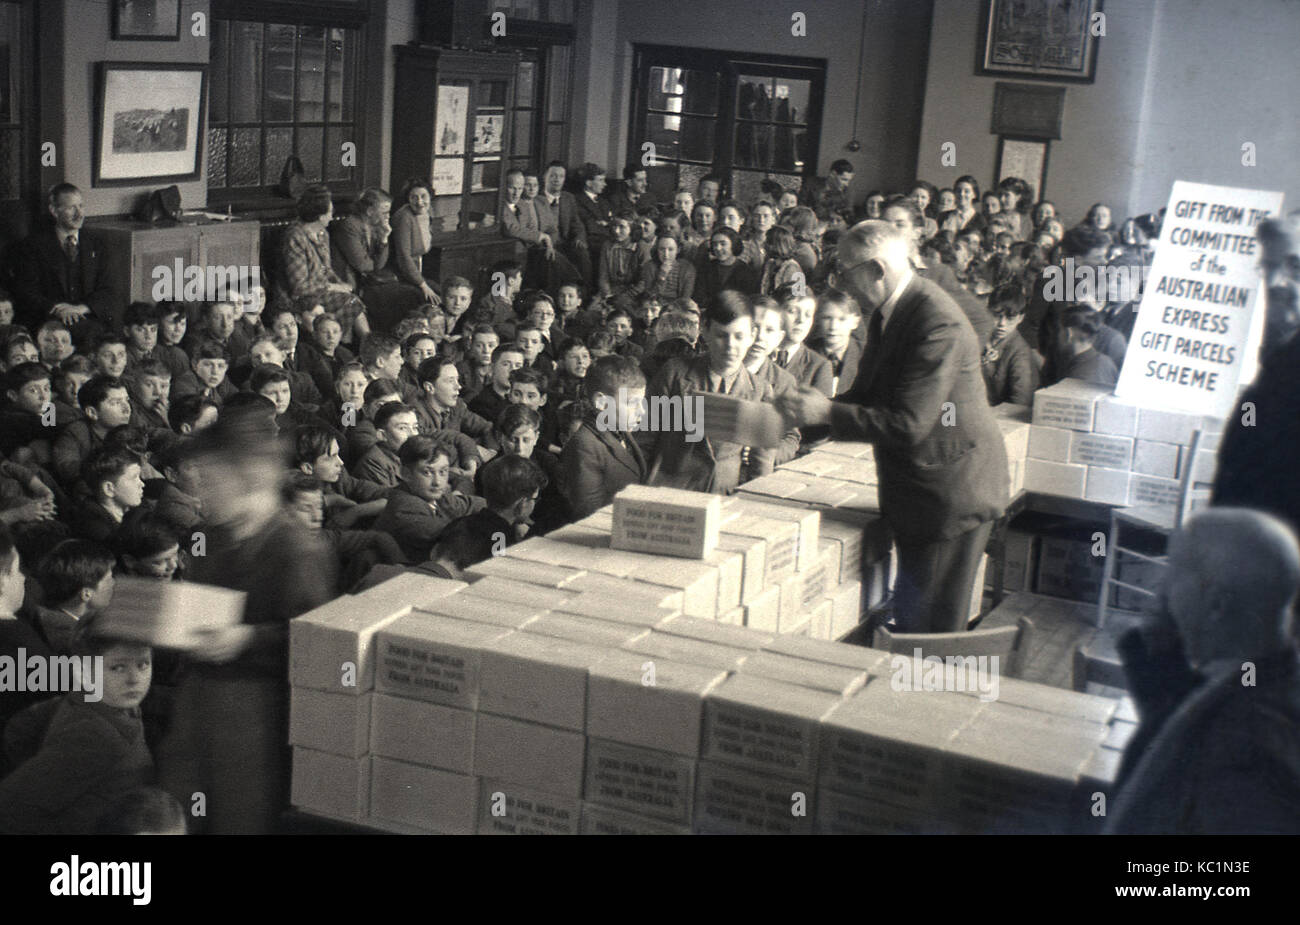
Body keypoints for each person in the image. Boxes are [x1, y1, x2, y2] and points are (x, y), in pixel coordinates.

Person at [777, 221, 1008, 634]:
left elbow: (908, 424)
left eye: (845, 272)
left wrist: (826, 414)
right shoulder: (890, 313)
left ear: (877, 271)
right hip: (923, 491)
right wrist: (800, 414)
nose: (841, 284)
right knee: (915, 615)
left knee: (927, 634)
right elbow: (869, 396)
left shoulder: (936, 323)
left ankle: (924, 698)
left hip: (949, 496)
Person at [157, 408, 335, 834]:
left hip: (255, 716)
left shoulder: (297, 549)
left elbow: (316, 644)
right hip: (198, 700)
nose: (201, 489)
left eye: (212, 477)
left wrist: (247, 639)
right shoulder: (211, 537)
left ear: (248, 477)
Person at [1106, 509, 1300, 835]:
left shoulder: (1253, 737)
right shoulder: (1258, 679)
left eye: (1175, 573)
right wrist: (1159, 662)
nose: (1161, 589)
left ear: (1217, 604)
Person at [0, 624, 155, 834]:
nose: (134, 679)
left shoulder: (104, 705)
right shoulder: (95, 734)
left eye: (143, 664)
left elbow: (19, 731)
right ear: (82, 671)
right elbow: (12, 804)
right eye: (117, 667)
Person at [647, 291, 775, 493]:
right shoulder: (674, 374)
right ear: (704, 332)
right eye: (722, 335)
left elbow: (762, 466)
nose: (731, 346)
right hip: (670, 492)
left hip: (724, 496)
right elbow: (645, 437)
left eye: (739, 336)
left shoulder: (760, 392)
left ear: (752, 336)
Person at [11, 184, 116, 341]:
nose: (79, 214)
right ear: (54, 211)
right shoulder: (32, 246)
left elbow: (108, 289)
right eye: (71, 208)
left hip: (88, 317)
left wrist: (81, 309)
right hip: (49, 320)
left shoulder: (97, 244)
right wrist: (57, 309)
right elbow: (26, 290)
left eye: (81, 206)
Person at [558, 354, 648, 519]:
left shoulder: (623, 433)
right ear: (601, 403)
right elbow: (589, 515)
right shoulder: (584, 446)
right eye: (631, 403)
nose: (641, 411)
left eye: (641, 403)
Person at [280, 184, 370, 346]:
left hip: (320, 292)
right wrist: (332, 287)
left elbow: (326, 269)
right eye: (330, 212)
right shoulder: (295, 237)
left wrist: (340, 283)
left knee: (351, 300)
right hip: (300, 297)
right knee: (352, 303)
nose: (331, 215)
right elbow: (299, 287)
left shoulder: (322, 233)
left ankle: (358, 346)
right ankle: (356, 346)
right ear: (320, 215)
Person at [371, 435, 481, 563]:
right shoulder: (404, 508)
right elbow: (455, 536)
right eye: (427, 472)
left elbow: (469, 504)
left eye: (443, 471)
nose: (437, 482)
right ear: (406, 474)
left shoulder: (433, 495)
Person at [434, 453, 546, 569]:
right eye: (534, 499)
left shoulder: (458, 523)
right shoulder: (503, 538)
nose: (534, 503)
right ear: (522, 504)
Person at [981, 280, 1040, 406]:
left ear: (1021, 318)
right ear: (988, 310)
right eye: (997, 315)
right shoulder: (981, 338)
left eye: (1010, 318)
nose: (1002, 323)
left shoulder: (1020, 353)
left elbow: (1020, 403)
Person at [388, 178, 443, 307]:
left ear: (430, 197)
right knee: (429, 298)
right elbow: (403, 256)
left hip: (418, 268)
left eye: (424, 196)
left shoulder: (428, 212)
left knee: (443, 293)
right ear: (408, 199)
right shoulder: (404, 218)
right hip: (400, 271)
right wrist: (423, 285)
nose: (419, 202)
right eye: (414, 197)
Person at [773, 283, 834, 397]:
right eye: (793, 311)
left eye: (808, 314)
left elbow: (818, 413)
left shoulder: (819, 367)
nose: (801, 320)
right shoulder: (757, 352)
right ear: (776, 312)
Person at [805, 288, 864, 396]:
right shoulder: (806, 352)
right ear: (817, 319)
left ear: (855, 322)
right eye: (827, 318)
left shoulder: (866, 355)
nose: (833, 327)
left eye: (842, 319)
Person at [1050, 305, 1119, 388]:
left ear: (1069, 333)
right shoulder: (1107, 361)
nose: (1056, 335)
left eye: (1059, 330)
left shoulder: (1077, 377)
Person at [693, 227, 760, 305]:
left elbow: (749, 301)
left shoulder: (747, 272)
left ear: (733, 244)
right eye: (714, 244)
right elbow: (699, 298)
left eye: (723, 244)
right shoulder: (706, 269)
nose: (718, 248)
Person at [572, 163, 614, 280]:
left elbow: (613, 222)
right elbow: (588, 225)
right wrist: (606, 224)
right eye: (600, 180)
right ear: (588, 183)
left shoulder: (605, 202)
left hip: (607, 240)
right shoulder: (576, 200)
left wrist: (606, 224)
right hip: (591, 242)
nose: (604, 184)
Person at [800, 159, 855, 224]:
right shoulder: (811, 183)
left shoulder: (846, 192)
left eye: (849, 180)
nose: (846, 184)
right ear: (833, 174)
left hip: (832, 226)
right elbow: (800, 206)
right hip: (807, 222)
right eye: (844, 179)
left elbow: (848, 215)